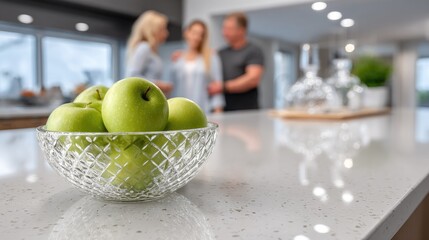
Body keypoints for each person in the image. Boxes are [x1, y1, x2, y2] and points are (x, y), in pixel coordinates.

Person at [208, 12, 264, 111]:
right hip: (223, 111)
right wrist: (182, 55)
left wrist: (223, 87)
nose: (224, 33)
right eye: (224, 28)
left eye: (229, 29)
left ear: (241, 30)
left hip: (246, 111)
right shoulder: (221, 53)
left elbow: (253, 79)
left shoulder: (253, 51)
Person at [170, 20, 224, 113]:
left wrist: (218, 112)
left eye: (201, 35)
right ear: (186, 33)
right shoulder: (177, 60)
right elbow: (172, 87)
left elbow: (217, 88)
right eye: (194, 33)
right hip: (180, 111)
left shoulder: (211, 57)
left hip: (203, 111)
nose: (197, 37)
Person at [126, 10, 172, 94]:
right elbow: (132, 76)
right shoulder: (144, 47)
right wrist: (160, 85)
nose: (166, 33)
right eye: (162, 29)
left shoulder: (152, 50)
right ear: (153, 30)